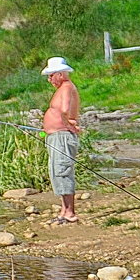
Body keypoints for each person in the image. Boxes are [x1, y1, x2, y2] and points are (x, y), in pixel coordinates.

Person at [41, 56, 81, 225]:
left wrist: (69, 125)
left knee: (62, 171)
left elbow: (64, 110)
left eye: (51, 75)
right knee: (56, 172)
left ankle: (70, 212)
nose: (49, 79)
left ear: (60, 74)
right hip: (55, 137)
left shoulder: (66, 87)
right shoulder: (63, 88)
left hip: (62, 137)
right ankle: (64, 210)